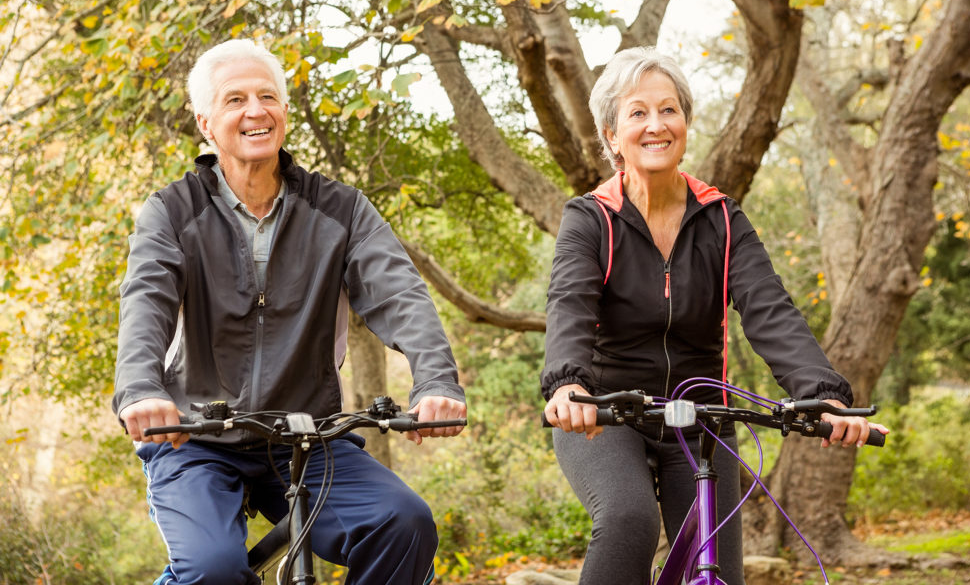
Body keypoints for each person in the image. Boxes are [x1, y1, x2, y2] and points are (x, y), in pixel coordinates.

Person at [112, 38, 467, 585]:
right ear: (207, 123)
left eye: (268, 96)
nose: (256, 111)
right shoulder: (172, 211)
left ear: (283, 110)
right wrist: (141, 390)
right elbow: (146, 302)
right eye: (236, 100)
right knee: (212, 571)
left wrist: (436, 380)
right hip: (197, 438)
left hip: (308, 437)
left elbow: (400, 293)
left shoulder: (340, 209)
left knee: (404, 524)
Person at [540, 47, 888, 585]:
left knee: (715, 560)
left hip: (702, 417)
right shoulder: (590, 220)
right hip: (606, 413)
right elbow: (569, 306)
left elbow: (770, 310)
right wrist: (567, 387)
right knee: (628, 519)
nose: (656, 125)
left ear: (685, 122)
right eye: (637, 113)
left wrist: (824, 395)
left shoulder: (722, 219)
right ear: (612, 135)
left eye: (669, 110)